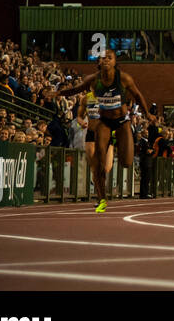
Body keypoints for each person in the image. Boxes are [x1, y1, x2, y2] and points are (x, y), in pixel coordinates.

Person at [57, 50, 155, 213]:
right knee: (98, 162)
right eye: (103, 58)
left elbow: (138, 95)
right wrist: (58, 93)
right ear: (99, 62)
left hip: (122, 121)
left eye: (109, 58)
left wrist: (147, 113)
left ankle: (118, 144)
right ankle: (101, 199)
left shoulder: (124, 78)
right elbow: (75, 91)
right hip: (103, 124)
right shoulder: (92, 83)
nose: (106, 60)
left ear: (115, 62)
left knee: (126, 163)